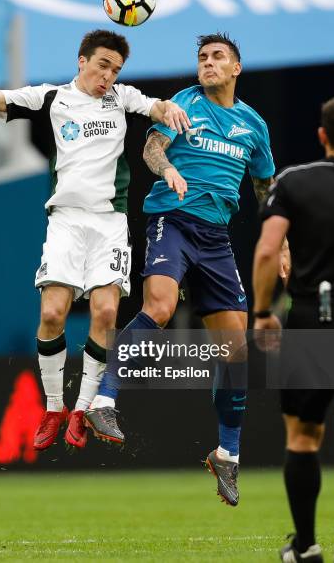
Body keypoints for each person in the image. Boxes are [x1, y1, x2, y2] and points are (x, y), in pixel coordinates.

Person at [0, 29, 190, 451]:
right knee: (54, 313)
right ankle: (54, 406)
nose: (108, 76)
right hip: (66, 222)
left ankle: (82, 408)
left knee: (106, 309)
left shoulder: (123, 97)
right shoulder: (52, 98)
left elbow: (157, 106)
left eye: (115, 69)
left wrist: (169, 108)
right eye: (102, 65)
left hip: (109, 221)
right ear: (81, 61)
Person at [84, 32, 289, 506]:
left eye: (218, 57)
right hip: (172, 221)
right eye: (202, 57)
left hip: (215, 238)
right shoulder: (183, 103)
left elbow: (265, 187)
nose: (208, 63)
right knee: (158, 305)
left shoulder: (253, 125)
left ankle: (227, 455)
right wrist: (167, 170)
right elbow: (152, 149)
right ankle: (104, 400)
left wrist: (280, 243)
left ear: (236, 68)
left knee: (236, 349)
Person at [253, 92, 334, 562]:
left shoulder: (293, 181)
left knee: (302, 437)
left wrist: (262, 311)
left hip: (309, 318)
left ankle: (306, 545)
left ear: (322, 135)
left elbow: (267, 250)